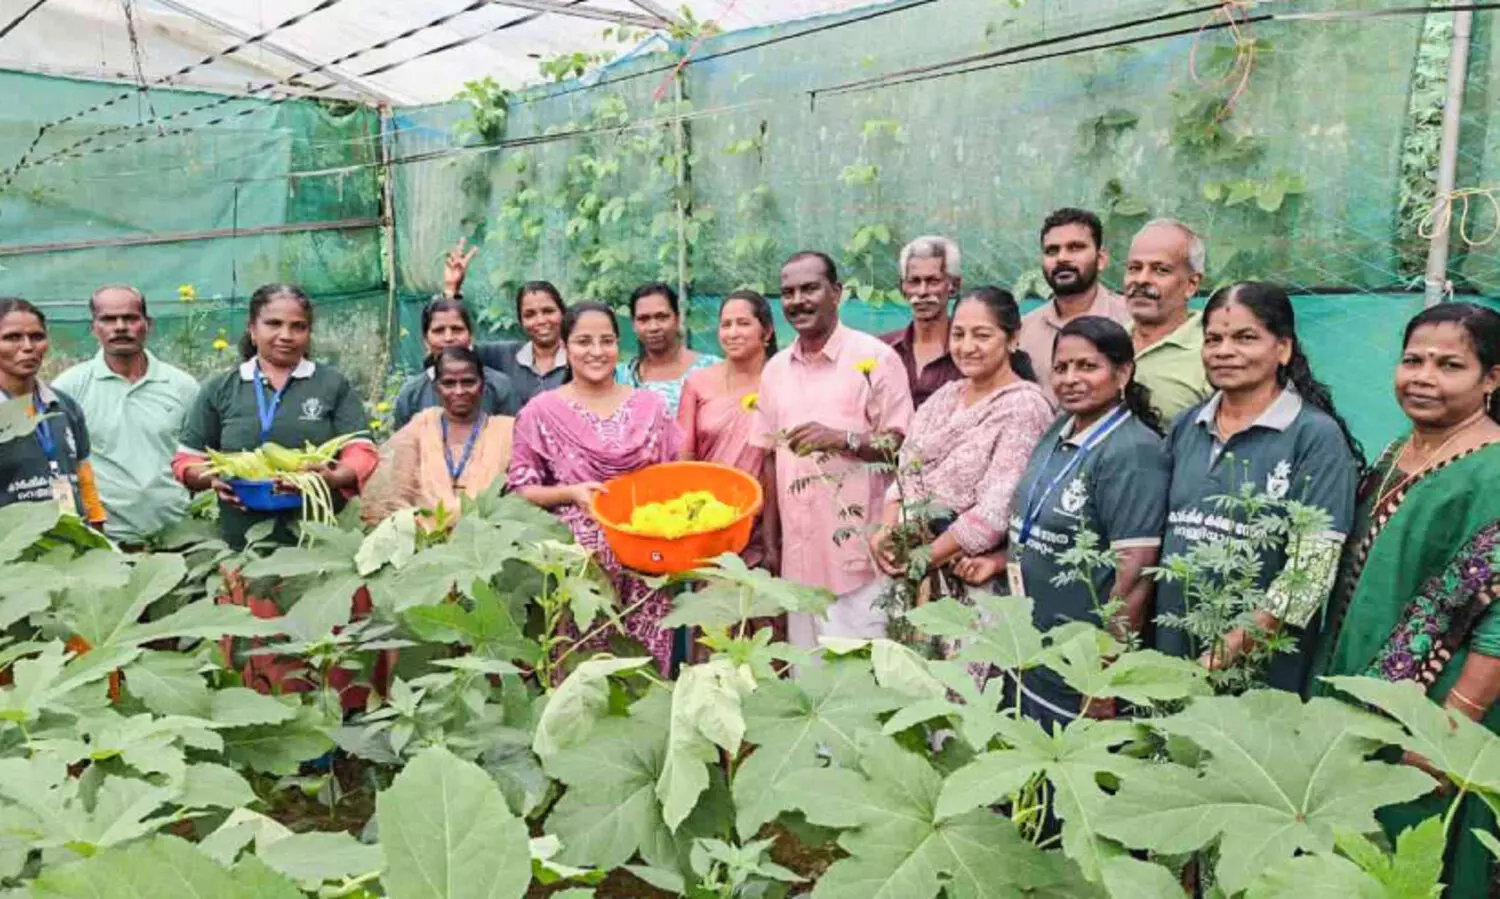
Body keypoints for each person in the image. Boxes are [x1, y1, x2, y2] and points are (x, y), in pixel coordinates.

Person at [1311, 302, 1500, 895]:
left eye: (1449, 365)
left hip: (1436, 709)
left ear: (1492, 378)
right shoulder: (1400, 449)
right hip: (1356, 688)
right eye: (1412, 359)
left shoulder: (1492, 470)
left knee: (1416, 860)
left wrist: (1447, 733)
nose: (1423, 376)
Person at [1154, 282, 1360, 692]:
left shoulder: (1315, 437)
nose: (1224, 351)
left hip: (1257, 666)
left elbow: (1310, 576)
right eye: (1213, 339)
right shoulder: (1186, 426)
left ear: (1282, 349)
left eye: (1245, 338)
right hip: (1172, 651)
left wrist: (1225, 653)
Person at [1005, 315, 1170, 726]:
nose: (1070, 379)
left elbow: (1134, 577)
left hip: (1079, 662)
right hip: (1031, 643)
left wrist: (1104, 678)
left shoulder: (1132, 452)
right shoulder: (1060, 428)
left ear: (1123, 373)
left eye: (1087, 366)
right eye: (1061, 368)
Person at [749, 251, 915, 647]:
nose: (797, 300)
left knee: (860, 683)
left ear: (836, 293)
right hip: (798, 563)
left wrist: (844, 439)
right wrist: (772, 545)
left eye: (810, 288)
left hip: (860, 560)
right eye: (787, 292)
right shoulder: (775, 370)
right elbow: (770, 459)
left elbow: (903, 446)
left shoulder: (874, 359)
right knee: (809, 683)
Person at [508, 301, 683, 674]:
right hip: (579, 575)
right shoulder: (541, 411)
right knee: (581, 680)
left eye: (606, 341)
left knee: (644, 676)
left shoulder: (650, 406)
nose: (596, 351)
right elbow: (521, 489)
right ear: (565, 347)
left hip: (646, 568)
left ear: (619, 345)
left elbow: (675, 479)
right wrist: (570, 494)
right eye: (584, 341)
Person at [869, 286, 1052, 603]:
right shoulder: (944, 397)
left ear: (1012, 339)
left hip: (966, 579)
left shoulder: (1024, 407)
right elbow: (904, 475)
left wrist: (923, 558)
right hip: (909, 570)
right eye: (959, 335)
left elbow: (998, 508)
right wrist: (886, 534)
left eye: (982, 335)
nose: (967, 347)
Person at [173, 284, 379, 548]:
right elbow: (186, 458)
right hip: (243, 540)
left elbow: (361, 449)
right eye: (273, 324)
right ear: (252, 329)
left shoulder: (331, 384)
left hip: (319, 538)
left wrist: (334, 477)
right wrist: (213, 478)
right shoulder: (221, 388)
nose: (286, 335)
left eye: (298, 326)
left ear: (309, 333)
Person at [52, 285, 198, 546]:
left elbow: (198, 458)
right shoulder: (69, 388)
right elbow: (57, 464)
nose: (120, 327)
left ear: (147, 324)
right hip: (106, 542)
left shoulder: (182, 386)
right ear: (93, 327)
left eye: (130, 318)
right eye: (108, 319)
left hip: (180, 537)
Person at [678, 289, 778, 566]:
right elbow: (684, 460)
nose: (732, 332)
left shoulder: (782, 381)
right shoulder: (698, 384)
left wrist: (772, 540)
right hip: (712, 522)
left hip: (771, 520)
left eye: (743, 323)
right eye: (726, 324)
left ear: (767, 331)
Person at [366, 346, 515, 523]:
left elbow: (519, 497)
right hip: (422, 539)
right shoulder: (420, 428)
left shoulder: (506, 431)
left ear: (482, 385)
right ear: (437, 387)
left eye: (468, 382)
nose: (459, 391)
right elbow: (392, 494)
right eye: (449, 383)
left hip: (491, 537)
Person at [0, 298, 107, 528]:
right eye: (12, 337)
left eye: (37, 337)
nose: (28, 347)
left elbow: (84, 476)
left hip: (71, 543)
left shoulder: (64, 405)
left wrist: (97, 528)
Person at [1018, 208, 1132, 403]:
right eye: (1052, 251)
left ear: (1101, 259)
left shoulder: (1131, 321)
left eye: (1075, 248)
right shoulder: (1023, 332)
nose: (1061, 258)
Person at [439, 240, 568, 404]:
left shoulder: (578, 359)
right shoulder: (503, 356)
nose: (541, 320)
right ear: (521, 321)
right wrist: (451, 291)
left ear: (563, 313)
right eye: (530, 314)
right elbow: (454, 350)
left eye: (548, 311)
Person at [1125, 218, 1212, 422]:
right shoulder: (1108, 344)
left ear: (1191, 284)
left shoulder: (1213, 351)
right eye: (1134, 268)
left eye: (1160, 270)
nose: (1141, 279)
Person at [391, 298, 519, 430]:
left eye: (457, 329)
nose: (448, 338)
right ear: (425, 340)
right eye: (439, 331)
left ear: (471, 336)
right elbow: (402, 446)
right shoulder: (411, 395)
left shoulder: (499, 387)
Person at [880, 236, 963, 408]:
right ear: (902, 288)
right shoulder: (882, 349)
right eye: (914, 281)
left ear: (954, 285)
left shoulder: (968, 351)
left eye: (933, 281)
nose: (922, 291)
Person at [617, 282, 719, 415]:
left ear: (677, 319)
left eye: (662, 317)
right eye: (643, 319)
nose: (653, 327)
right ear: (633, 325)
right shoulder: (622, 377)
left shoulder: (712, 370)